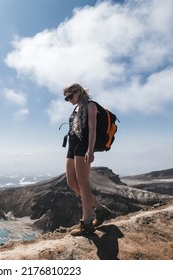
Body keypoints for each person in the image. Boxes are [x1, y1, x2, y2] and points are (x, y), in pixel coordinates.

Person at [63, 83, 110, 236]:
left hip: (83, 146)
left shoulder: (90, 105)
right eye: (66, 98)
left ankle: (87, 222)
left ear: (79, 92)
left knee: (83, 183)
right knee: (71, 182)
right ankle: (100, 209)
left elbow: (92, 128)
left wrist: (90, 149)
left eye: (71, 96)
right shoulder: (75, 108)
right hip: (72, 146)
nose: (69, 99)